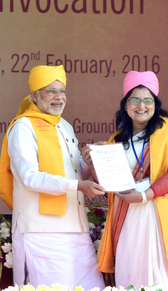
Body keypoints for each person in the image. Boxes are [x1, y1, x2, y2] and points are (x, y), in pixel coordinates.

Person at [82, 71, 168, 290]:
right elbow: (108, 187)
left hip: (162, 210)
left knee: (163, 271)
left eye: (147, 100)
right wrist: (94, 165)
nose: (141, 106)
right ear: (125, 105)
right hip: (128, 214)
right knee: (132, 267)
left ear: (155, 104)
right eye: (134, 99)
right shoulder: (115, 141)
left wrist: (144, 195)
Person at [0, 65, 106, 290]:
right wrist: (78, 185)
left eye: (62, 90)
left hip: (76, 229)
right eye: (51, 91)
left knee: (90, 287)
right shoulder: (23, 127)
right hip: (42, 230)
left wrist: (91, 160)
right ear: (35, 96)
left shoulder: (65, 126)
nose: (59, 97)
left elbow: (77, 172)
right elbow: (30, 177)